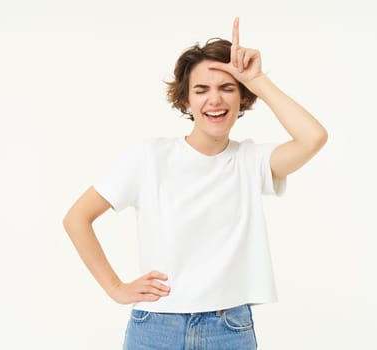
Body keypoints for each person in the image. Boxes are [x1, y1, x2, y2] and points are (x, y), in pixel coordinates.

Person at [63, 17, 327, 350]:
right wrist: (115, 287)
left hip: (228, 328)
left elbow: (313, 138)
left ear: (242, 98)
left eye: (226, 88)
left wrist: (256, 79)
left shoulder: (250, 161)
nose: (214, 100)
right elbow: (76, 218)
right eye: (201, 90)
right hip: (156, 326)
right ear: (186, 101)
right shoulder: (149, 157)